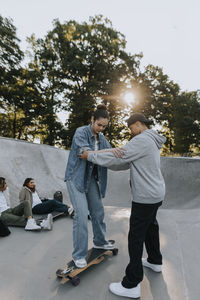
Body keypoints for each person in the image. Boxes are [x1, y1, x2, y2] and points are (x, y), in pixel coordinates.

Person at [80, 113, 166, 299]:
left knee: (135, 237)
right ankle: (155, 260)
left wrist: (90, 156)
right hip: (156, 193)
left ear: (137, 124)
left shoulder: (142, 140)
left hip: (145, 196)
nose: (131, 132)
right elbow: (123, 162)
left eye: (130, 128)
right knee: (151, 226)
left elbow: (118, 157)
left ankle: (132, 283)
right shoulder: (151, 139)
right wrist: (103, 158)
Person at [65, 104, 116, 269]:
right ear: (92, 120)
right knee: (81, 215)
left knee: (98, 211)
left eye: (104, 126)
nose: (101, 129)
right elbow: (85, 154)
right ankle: (79, 254)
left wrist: (119, 152)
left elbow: (111, 154)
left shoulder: (102, 139)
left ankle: (100, 242)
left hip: (91, 179)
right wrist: (106, 153)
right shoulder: (81, 132)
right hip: (76, 177)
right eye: (99, 125)